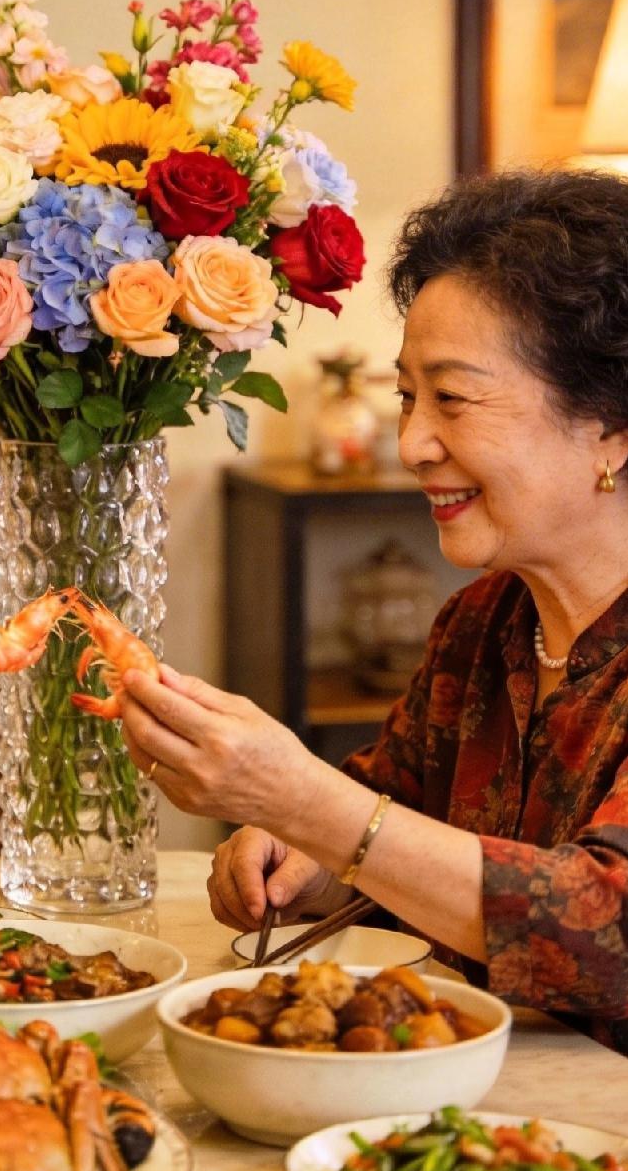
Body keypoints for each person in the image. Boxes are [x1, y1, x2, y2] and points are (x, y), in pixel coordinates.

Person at [120, 168, 628, 1053]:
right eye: (405, 396)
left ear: (610, 429)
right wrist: (300, 860)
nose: (410, 444)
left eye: (452, 398)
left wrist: (311, 806)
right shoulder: (482, 622)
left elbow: (607, 932)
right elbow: (391, 818)